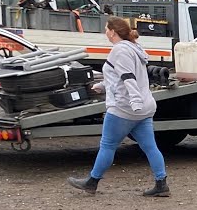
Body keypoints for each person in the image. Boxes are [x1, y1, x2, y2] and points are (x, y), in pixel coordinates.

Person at [67, 16, 169, 197]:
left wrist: (134, 102)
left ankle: (92, 182)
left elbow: (128, 77)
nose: (105, 32)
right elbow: (123, 77)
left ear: (112, 31)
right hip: (144, 108)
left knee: (107, 145)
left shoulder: (119, 51)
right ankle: (161, 184)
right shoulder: (134, 48)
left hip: (124, 108)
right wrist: (103, 86)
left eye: (106, 28)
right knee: (150, 147)